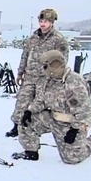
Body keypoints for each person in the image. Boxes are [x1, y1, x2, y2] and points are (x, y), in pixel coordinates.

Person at [13, 50, 91, 164]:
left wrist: (75, 129)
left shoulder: (74, 82)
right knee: (26, 123)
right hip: (52, 117)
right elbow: (41, 100)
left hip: (70, 124)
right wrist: (30, 111)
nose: (43, 69)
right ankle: (31, 151)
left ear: (54, 65)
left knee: (71, 158)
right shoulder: (47, 80)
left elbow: (85, 111)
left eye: (45, 66)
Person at [7, 8, 68, 137]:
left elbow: (62, 61)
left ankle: (34, 127)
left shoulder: (58, 39)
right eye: (41, 21)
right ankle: (16, 126)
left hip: (45, 78)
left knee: (40, 104)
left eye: (45, 21)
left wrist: (55, 78)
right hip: (29, 76)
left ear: (51, 22)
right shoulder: (33, 38)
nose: (42, 24)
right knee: (21, 101)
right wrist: (20, 72)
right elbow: (25, 55)